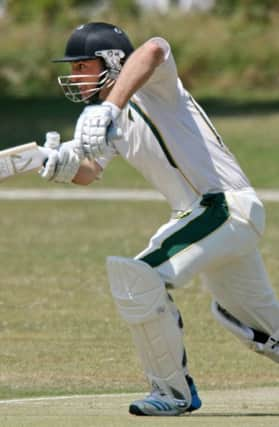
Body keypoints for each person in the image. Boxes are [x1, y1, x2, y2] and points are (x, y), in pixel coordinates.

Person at [40, 22, 279, 416]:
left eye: (82, 66)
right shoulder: (106, 123)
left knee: (138, 277)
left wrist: (109, 107)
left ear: (113, 62)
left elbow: (154, 47)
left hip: (223, 207)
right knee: (254, 322)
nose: (74, 76)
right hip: (210, 219)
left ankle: (172, 393)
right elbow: (88, 171)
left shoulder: (154, 88)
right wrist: (57, 165)